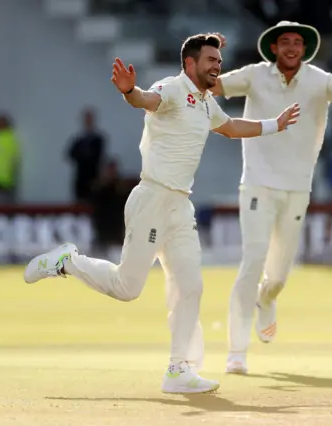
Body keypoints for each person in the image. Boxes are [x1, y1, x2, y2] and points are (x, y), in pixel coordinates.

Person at [23, 33, 300, 394]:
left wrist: (274, 125)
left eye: (219, 60)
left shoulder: (204, 102)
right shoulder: (171, 87)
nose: (217, 65)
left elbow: (231, 128)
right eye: (211, 60)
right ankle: (67, 261)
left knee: (191, 286)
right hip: (152, 198)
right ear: (190, 63)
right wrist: (129, 92)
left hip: (180, 207)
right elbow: (146, 100)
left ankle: (178, 370)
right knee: (127, 287)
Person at [209, 21, 332, 375]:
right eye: (284, 42)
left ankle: (267, 298)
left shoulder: (319, 80)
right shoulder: (255, 75)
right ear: (273, 48)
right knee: (252, 260)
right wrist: (211, 57)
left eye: (297, 43)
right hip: (257, 184)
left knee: (278, 277)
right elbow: (209, 85)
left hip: (297, 189)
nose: (291, 48)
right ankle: (237, 351)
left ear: (304, 50)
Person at [67, 107, 106, 203]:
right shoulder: (79, 139)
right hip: (81, 178)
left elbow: (97, 156)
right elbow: (70, 154)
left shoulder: (98, 139)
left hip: (93, 178)